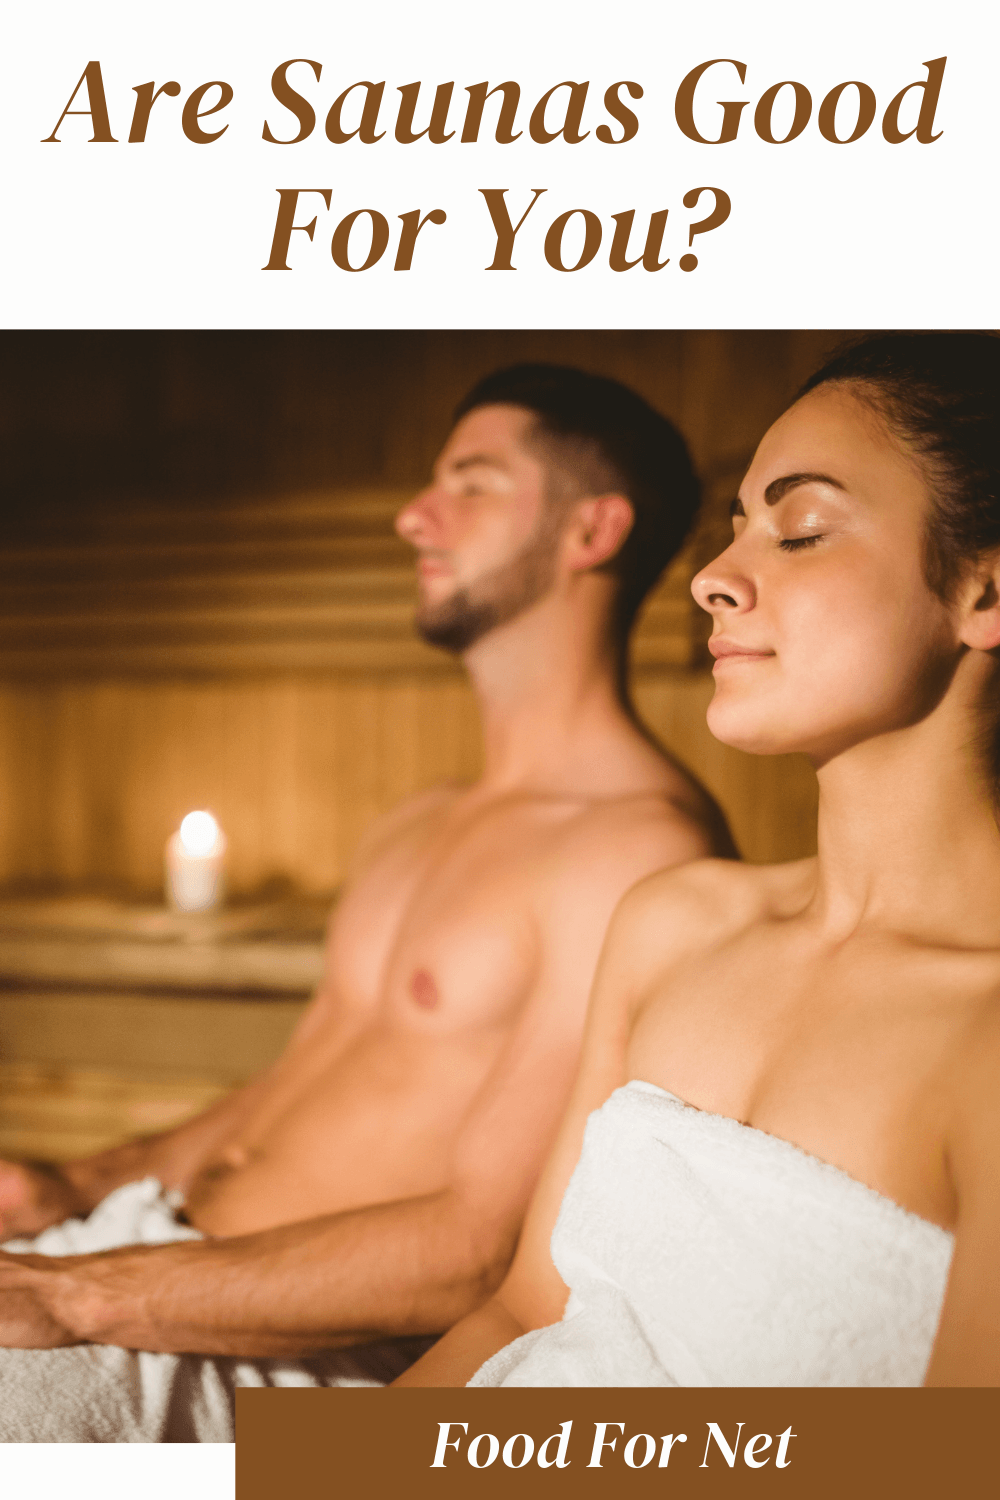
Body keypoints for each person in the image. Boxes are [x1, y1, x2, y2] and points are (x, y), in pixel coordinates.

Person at [0, 363, 730, 1438]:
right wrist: (68, 1184)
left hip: (290, 1342)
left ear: (593, 530)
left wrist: (73, 1292)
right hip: (139, 1256)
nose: (411, 516)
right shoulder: (416, 823)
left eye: (470, 483)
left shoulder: (639, 852)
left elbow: (483, 1246)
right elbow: (286, 1092)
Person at [395, 331, 1000, 1389]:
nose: (715, 579)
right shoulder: (672, 926)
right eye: (735, 532)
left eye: (801, 531)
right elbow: (520, 1312)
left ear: (983, 595)